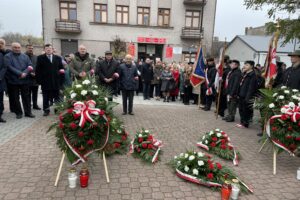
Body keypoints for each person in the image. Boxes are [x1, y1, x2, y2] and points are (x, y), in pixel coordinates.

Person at [4, 42, 35, 119]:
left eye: (18, 47)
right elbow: (9, 67)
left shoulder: (25, 56)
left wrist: (24, 73)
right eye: (15, 47)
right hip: (13, 81)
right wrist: (20, 74)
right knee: (15, 98)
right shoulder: (7, 56)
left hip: (25, 81)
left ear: (20, 48)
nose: (17, 49)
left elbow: (30, 65)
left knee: (26, 97)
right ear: (12, 48)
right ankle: (18, 113)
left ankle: (28, 112)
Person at [36, 44, 64, 116]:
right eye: (47, 49)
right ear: (44, 50)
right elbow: (38, 70)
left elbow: (61, 69)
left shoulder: (58, 58)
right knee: (45, 97)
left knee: (57, 97)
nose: (48, 50)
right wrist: (39, 81)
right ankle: (46, 110)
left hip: (56, 81)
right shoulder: (40, 58)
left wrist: (61, 80)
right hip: (45, 82)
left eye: (50, 48)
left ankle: (57, 109)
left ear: (52, 49)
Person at [236, 60, 257, 128]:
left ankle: (245, 123)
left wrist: (247, 98)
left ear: (251, 66)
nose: (245, 66)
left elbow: (251, 88)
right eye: (245, 64)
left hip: (246, 96)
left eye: (247, 65)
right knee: (241, 109)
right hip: (241, 94)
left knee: (245, 111)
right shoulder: (245, 74)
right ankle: (242, 122)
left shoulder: (253, 75)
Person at [25, 44, 41, 110]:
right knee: (27, 94)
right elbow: (23, 67)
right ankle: (28, 106)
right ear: (26, 48)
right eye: (29, 48)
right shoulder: (23, 56)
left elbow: (38, 67)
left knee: (35, 93)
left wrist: (36, 73)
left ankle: (35, 105)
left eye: (31, 48)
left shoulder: (36, 57)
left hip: (35, 79)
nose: (30, 49)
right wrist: (29, 73)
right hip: (27, 79)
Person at [0, 53, 7, 122]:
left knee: (0, 100)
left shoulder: (1, 55)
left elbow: (4, 67)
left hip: (0, 81)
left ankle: (0, 115)